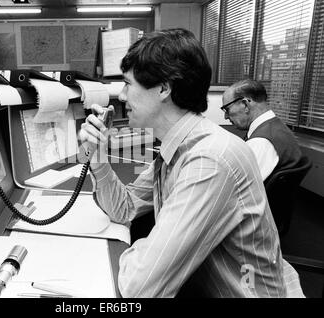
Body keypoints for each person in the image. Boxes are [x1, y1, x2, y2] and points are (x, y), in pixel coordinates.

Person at [79, 28, 303, 297]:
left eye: (128, 84)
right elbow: (124, 209)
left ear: (164, 88)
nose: (123, 97)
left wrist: (145, 249)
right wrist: (97, 157)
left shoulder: (208, 161)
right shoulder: (178, 149)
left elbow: (140, 286)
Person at [221, 79, 302, 181]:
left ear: (245, 105)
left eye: (227, 110)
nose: (226, 117)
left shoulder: (261, 142)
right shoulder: (277, 127)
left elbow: (241, 187)